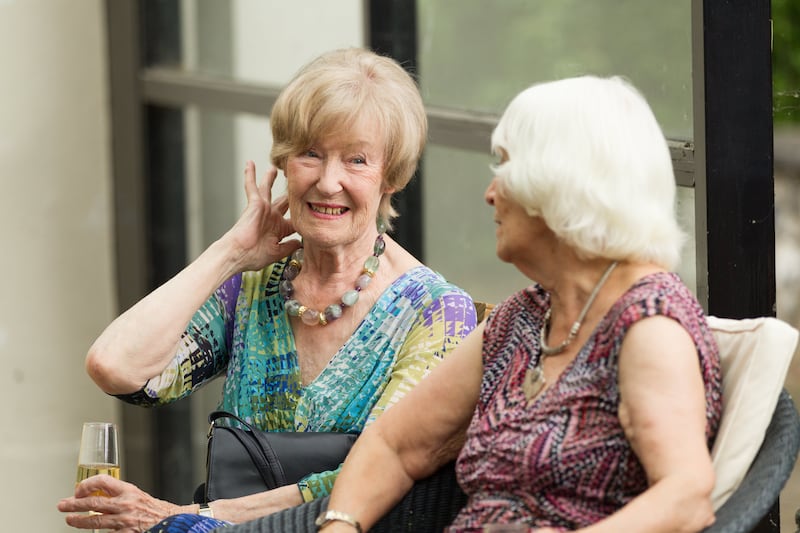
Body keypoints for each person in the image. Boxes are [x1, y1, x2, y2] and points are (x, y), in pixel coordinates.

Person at [57, 47, 477, 532]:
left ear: (391, 176)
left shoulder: (435, 313)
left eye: (357, 160)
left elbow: (377, 472)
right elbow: (118, 369)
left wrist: (190, 517)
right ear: (283, 163)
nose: (328, 181)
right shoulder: (255, 287)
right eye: (310, 154)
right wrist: (229, 254)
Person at [305, 75, 723, 532]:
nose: (489, 194)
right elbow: (394, 444)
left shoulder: (648, 324)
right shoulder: (524, 317)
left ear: (557, 184)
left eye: (503, 168)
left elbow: (687, 497)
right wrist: (340, 525)